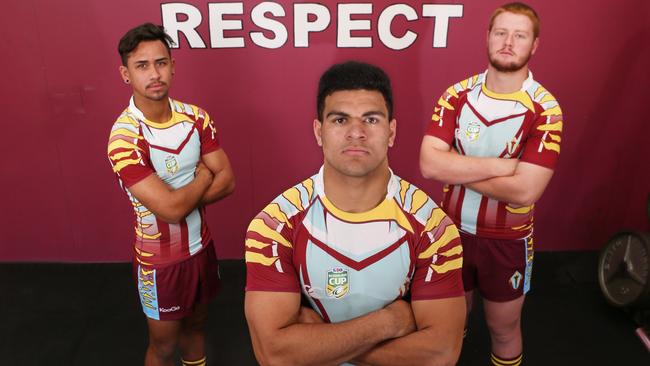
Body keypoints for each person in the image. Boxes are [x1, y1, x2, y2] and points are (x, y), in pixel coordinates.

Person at [244, 61, 465, 366]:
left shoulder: (434, 227)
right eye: (340, 120)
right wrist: (388, 322)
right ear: (319, 131)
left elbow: (440, 353)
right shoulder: (274, 224)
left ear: (392, 131)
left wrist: (320, 341)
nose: (356, 133)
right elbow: (274, 354)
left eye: (371, 120)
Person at [419, 3, 563, 366]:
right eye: (501, 32)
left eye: (520, 35)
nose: (508, 42)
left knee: (503, 329)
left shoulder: (545, 109)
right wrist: (502, 167)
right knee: (451, 322)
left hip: (507, 242)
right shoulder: (456, 96)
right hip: (451, 233)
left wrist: (457, 168)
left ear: (535, 45)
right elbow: (429, 164)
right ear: (487, 37)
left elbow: (526, 191)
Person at [107, 23, 235, 366]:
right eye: (142, 66)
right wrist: (203, 176)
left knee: (197, 327)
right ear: (125, 73)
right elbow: (170, 210)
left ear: (173, 66)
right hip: (159, 264)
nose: (154, 73)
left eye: (161, 63)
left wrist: (180, 201)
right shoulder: (124, 138)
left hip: (202, 248)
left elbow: (228, 181)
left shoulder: (196, 118)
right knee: (163, 347)